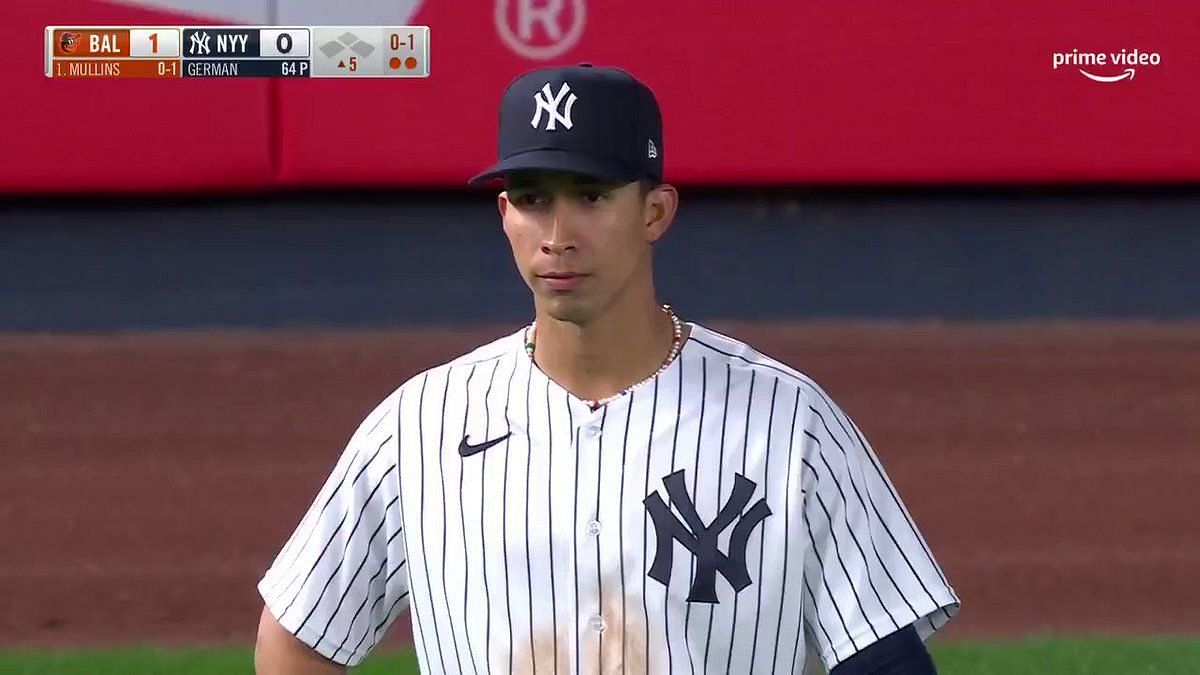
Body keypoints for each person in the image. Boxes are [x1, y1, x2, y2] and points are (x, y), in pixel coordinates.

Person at [254, 63, 960, 675]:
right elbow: (298, 639)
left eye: (591, 197)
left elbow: (885, 659)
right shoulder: (418, 427)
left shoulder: (789, 423)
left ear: (655, 211)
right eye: (533, 199)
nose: (559, 236)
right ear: (505, 214)